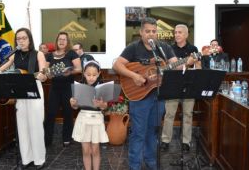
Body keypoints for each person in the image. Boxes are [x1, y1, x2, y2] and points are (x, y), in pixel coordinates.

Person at [112, 17, 178, 170]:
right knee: (138, 133)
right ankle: (134, 166)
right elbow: (117, 65)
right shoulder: (133, 48)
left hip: (159, 96)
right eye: (147, 31)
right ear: (141, 32)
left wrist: (185, 62)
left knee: (152, 132)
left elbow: (174, 64)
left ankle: (151, 163)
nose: (151, 34)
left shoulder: (164, 48)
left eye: (154, 31)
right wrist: (135, 76)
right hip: (139, 97)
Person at [0, 28, 47, 169]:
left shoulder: (38, 54)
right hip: (19, 90)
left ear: (29, 39)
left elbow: (44, 74)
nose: (21, 41)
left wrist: (41, 75)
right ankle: (26, 159)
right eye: (18, 38)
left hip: (34, 89)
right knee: (22, 126)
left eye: (24, 38)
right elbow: (1, 68)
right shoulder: (15, 55)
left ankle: (39, 159)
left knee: (35, 125)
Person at [161, 24, 201, 152]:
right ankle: (165, 140)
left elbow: (199, 67)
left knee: (188, 114)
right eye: (175, 32)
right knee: (169, 114)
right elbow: (165, 67)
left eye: (179, 32)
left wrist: (195, 66)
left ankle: (186, 141)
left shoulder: (193, 49)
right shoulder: (169, 48)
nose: (176, 34)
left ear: (186, 34)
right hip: (172, 86)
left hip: (189, 86)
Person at [44, 31, 81, 147]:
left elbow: (79, 69)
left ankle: (67, 138)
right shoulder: (49, 55)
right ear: (57, 41)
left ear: (67, 41)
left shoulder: (71, 54)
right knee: (50, 114)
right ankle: (47, 140)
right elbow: (45, 72)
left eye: (64, 39)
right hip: (54, 88)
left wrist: (69, 72)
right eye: (60, 39)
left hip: (68, 88)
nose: (61, 41)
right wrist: (48, 74)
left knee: (68, 113)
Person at [70, 60, 108, 170]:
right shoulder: (80, 87)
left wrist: (101, 104)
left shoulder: (102, 88)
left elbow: (105, 107)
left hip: (96, 119)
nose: (91, 77)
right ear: (83, 73)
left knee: (95, 149)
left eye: (94, 75)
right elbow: (75, 107)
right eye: (88, 74)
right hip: (83, 118)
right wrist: (73, 103)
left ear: (99, 73)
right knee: (86, 150)